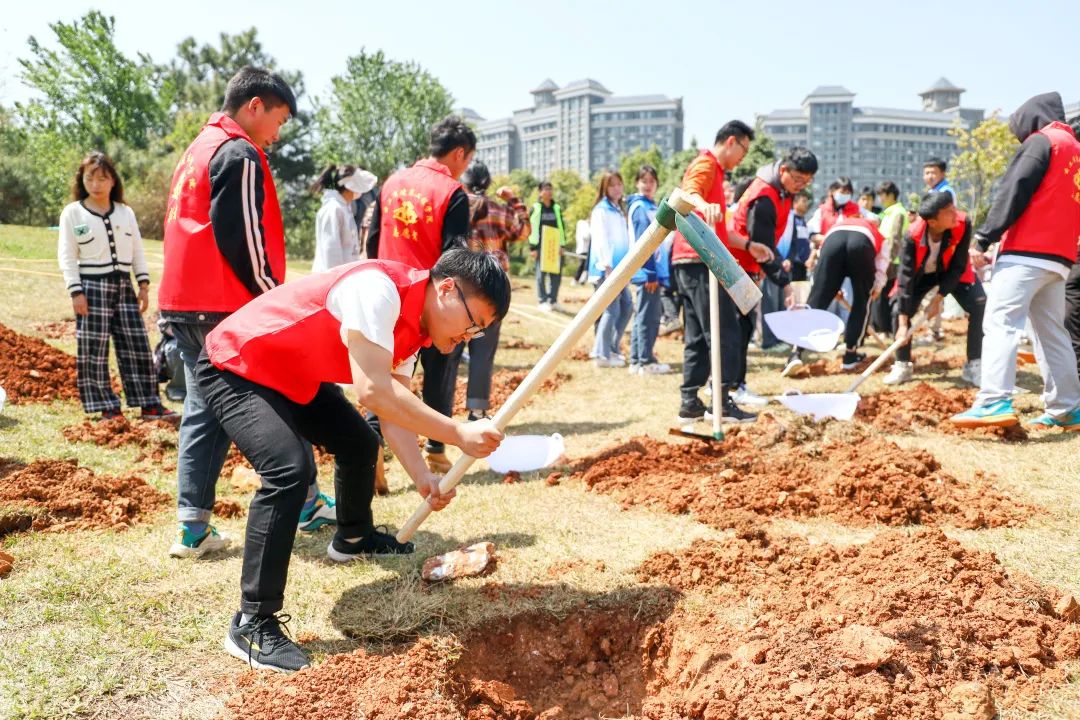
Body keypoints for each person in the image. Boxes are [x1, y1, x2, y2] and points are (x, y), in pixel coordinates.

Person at [198, 249, 509, 672]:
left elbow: (392, 413)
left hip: (291, 373)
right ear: (448, 289)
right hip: (238, 363)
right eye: (473, 323)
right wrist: (457, 432)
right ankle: (252, 622)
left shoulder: (414, 328)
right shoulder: (379, 290)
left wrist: (423, 478)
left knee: (361, 444)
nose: (469, 337)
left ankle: (353, 538)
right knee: (289, 471)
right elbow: (373, 391)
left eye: (479, 332)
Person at [159, 67, 305, 559]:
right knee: (275, 395)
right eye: (278, 121)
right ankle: (306, 500)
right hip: (222, 304)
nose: (277, 135)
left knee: (203, 410)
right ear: (255, 106)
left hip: (184, 302)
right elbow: (240, 235)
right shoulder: (237, 152)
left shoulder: (198, 147)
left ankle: (192, 528)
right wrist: (272, 297)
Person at [952, 92, 1080, 429]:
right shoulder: (1075, 149)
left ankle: (994, 400)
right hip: (1060, 257)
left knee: (1001, 323)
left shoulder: (1043, 141)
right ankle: (1067, 407)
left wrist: (984, 236)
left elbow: (1013, 189)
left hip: (1027, 251)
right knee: (1052, 333)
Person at [366, 115, 476, 473]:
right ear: (459, 153)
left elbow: (372, 239)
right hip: (430, 302)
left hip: (385, 293)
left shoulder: (392, 182)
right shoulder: (452, 193)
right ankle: (436, 449)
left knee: (382, 377)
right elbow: (455, 256)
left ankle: (372, 447)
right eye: (469, 160)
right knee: (440, 371)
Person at [57, 152, 177, 423]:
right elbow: (67, 255)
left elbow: (137, 250)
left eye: (102, 178)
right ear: (81, 180)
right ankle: (106, 406)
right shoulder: (73, 213)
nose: (96, 184)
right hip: (91, 288)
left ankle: (149, 404)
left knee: (136, 344)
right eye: (90, 178)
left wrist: (143, 285)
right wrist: (75, 291)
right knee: (93, 348)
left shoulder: (125, 212)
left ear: (113, 181)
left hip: (124, 286)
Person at [671, 121, 758, 421]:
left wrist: (749, 246)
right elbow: (688, 193)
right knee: (724, 330)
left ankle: (690, 401)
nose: (742, 159)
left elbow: (723, 231)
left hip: (691, 258)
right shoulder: (707, 164)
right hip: (700, 257)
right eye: (743, 151)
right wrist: (702, 204)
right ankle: (721, 400)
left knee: (697, 334)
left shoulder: (717, 172)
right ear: (732, 141)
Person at [733, 147, 819, 395]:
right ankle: (729, 387)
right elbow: (762, 246)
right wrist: (785, 283)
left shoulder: (783, 193)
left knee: (745, 326)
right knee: (737, 328)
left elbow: (769, 243)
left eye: (806, 182)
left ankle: (735, 384)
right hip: (736, 265)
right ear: (783, 170)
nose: (800, 186)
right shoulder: (764, 197)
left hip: (750, 266)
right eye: (797, 179)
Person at [883, 191, 984, 385]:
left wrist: (937, 300)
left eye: (953, 208)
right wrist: (903, 325)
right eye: (948, 211)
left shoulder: (963, 223)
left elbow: (958, 266)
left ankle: (974, 364)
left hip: (951, 271)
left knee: (979, 303)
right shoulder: (912, 236)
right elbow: (905, 279)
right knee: (898, 309)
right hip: (921, 275)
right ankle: (902, 364)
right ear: (932, 222)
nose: (955, 213)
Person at [461, 160, 530, 418]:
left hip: (459, 286)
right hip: (491, 287)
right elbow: (524, 231)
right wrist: (514, 200)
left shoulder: (455, 206)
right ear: (488, 183)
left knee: (449, 355)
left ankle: (439, 413)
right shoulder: (498, 210)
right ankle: (477, 411)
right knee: (483, 351)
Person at [784, 211, 889, 374]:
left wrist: (829, 286)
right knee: (862, 303)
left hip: (833, 242)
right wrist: (877, 287)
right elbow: (882, 262)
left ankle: (795, 353)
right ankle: (850, 355)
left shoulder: (838, 225)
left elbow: (823, 256)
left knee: (815, 302)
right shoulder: (876, 233)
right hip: (861, 245)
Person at [626, 165, 670, 374]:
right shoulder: (640, 207)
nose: (648, 185)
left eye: (652, 181)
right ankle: (645, 361)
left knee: (644, 316)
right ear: (637, 183)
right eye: (644, 181)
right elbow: (644, 242)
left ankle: (637, 360)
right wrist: (651, 272)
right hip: (647, 273)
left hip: (652, 271)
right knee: (648, 318)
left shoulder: (651, 205)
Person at [588, 170, 633, 367]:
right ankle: (601, 354)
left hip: (620, 269)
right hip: (605, 269)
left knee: (627, 307)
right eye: (612, 185)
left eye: (619, 184)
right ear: (605, 188)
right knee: (611, 310)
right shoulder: (601, 210)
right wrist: (606, 266)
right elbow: (600, 239)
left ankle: (612, 348)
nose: (616, 188)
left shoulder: (619, 210)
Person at [760, 189, 812, 351]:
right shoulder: (773, 212)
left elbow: (793, 241)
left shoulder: (792, 217)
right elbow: (770, 239)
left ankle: (780, 338)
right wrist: (779, 260)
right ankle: (769, 341)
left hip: (786, 265)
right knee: (770, 302)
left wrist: (789, 259)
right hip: (772, 263)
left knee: (783, 302)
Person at [311, 164, 377, 272]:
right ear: (350, 187)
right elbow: (331, 250)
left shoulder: (344, 207)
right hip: (332, 276)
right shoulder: (333, 209)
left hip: (344, 275)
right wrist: (338, 277)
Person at [871, 181, 909, 333]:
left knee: (885, 296)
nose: (880, 198)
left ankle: (885, 330)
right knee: (880, 295)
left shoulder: (898, 213)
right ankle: (881, 328)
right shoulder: (887, 214)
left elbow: (895, 240)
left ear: (891, 195)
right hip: (884, 260)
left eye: (882, 195)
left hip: (892, 262)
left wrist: (887, 263)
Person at [529, 180, 569, 311]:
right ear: (540, 192)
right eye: (546, 189)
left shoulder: (556, 208)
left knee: (556, 274)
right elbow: (532, 228)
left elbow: (561, 227)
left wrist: (562, 245)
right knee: (541, 274)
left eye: (550, 189)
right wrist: (533, 247)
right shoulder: (536, 208)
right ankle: (542, 300)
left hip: (555, 246)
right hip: (540, 247)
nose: (549, 192)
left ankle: (553, 300)